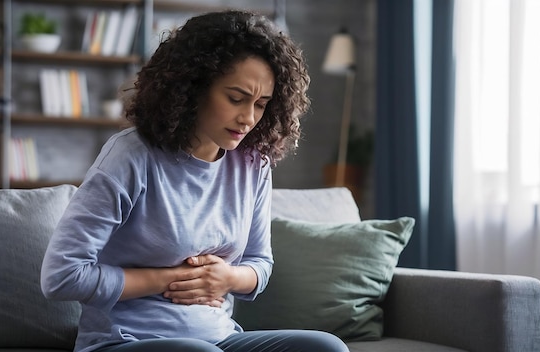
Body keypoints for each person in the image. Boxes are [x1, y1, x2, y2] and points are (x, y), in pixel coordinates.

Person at [40, 10, 349, 352]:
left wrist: (226, 278)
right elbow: (61, 276)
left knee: (326, 348)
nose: (248, 118)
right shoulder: (132, 156)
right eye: (235, 98)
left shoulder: (253, 163)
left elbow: (260, 264)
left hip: (220, 339)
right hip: (126, 341)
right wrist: (165, 280)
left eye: (261, 105)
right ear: (193, 88)